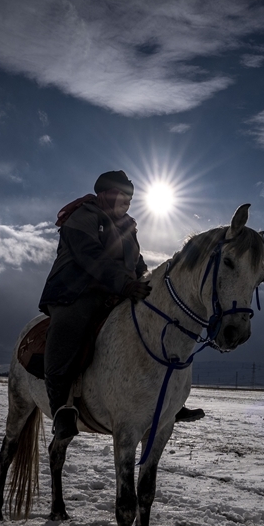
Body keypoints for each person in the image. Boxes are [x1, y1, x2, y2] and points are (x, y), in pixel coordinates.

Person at [39, 171, 203, 441]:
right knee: (69, 329)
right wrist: (125, 284)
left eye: (130, 197)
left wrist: (149, 286)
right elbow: (90, 256)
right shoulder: (82, 216)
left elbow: (137, 263)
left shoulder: (128, 227)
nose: (127, 201)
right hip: (76, 291)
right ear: (104, 193)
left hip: (116, 291)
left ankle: (169, 402)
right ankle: (61, 409)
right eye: (122, 195)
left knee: (156, 325)